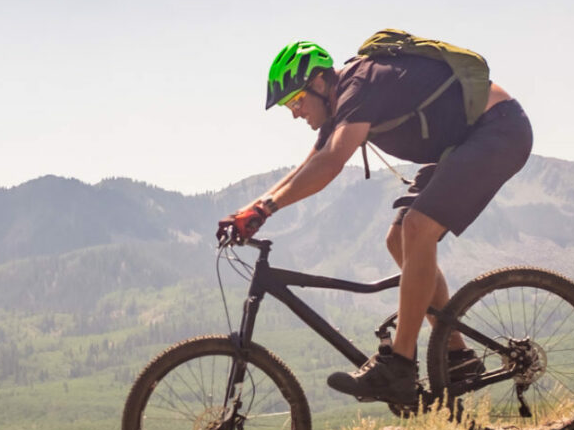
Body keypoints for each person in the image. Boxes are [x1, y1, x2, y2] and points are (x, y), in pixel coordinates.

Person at [216, 34, 533, 408]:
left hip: (498, 130)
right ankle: (457, 356)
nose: (295, 113)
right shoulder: (343, 101)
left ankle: (399, 364)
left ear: (319, 82)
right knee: (398, 240)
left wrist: (265, 210)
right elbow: (311, 163)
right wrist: (250, 211)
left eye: (296, 100)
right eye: (289, 106)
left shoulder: (360, 84)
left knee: (417, 228)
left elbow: (331, 164)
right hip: (463, 145)